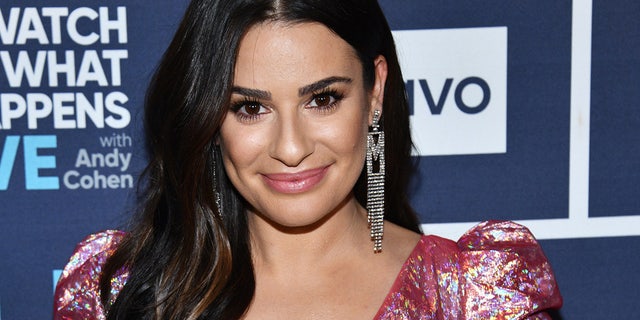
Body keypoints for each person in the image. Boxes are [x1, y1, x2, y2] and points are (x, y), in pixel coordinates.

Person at [54, 0, 562, 319]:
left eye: (322, 99)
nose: (291, 149)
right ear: (209, 119)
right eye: (250, 108)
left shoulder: (475, 299)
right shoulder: (120, 292)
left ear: (375, 91)